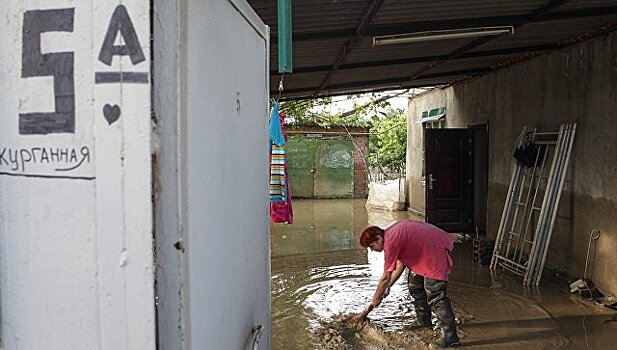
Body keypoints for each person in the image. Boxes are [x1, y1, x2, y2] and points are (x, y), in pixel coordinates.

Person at [359, 220, 460, 348]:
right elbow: (400, 265)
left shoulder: (390, 242)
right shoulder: (390, 235)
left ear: (379, 238)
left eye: (372, 246)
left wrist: (376, 297)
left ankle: (451, 336)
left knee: (435, 295)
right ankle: (424, 322)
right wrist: (387, 287)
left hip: (434, 251)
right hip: (423, 252)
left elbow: (385, 276)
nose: (372, 250)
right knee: (415, 287)